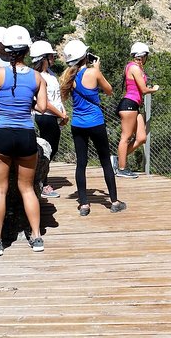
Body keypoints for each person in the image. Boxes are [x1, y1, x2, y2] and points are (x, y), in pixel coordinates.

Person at [0, 25, 47, 256]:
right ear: (27, 50)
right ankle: (36, 238)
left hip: (2, 134)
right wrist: (28, 100)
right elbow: (43, 107)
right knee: (27, 189)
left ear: (6, 49)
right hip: (26, 134)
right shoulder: (38, 77)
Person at [60, 39, 125, 216]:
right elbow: (110, 90)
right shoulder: (93, 72)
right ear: (84, 56)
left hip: (78, 124)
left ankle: (84, 204)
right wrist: (98, 69)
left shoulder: (68, 77)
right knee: (105, 161)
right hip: (95, 122)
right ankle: (114, 201)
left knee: (81, 163)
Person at [115, 42, 159, 178]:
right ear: (142, 55)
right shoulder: (133, 68)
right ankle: (121, 168)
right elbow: (144, 90)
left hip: (134, 105)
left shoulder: (136, 68)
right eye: (146, 55)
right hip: (129, 104)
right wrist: (154, 89)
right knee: (126, 137)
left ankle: (118, 160)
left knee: (141, 137)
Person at [30, 40, 68, 198]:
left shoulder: (49, 74)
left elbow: (56, 98)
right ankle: (42, 183)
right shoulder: (37, 76)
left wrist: (63, 112)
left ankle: (40, 180)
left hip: (53, 116)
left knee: (52, 149)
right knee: (47, 151)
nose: (53, 57)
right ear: (43, 58)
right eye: (50, 55)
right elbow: (43, 102)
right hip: (44, 116)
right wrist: (61, 115)